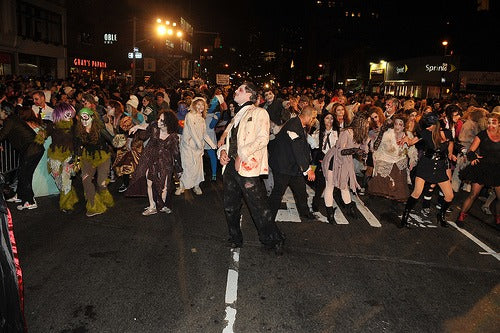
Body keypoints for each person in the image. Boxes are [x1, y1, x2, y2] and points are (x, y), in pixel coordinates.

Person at [217, 82, 285, 254]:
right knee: (229, 206)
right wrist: (223, 152)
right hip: (231, 167)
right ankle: (235, 238)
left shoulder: (259, 112)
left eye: (240, 89)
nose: (236, 91)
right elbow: (229, 140)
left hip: (247, 166)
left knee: (258, 207)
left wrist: (242, 155)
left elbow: (263, 139)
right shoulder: (236, 116)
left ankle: (273, 240)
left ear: (250, 95)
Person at [400, 112, 454, 228]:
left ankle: (441, 215)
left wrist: (451, 154)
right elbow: (411, 142)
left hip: (440, 167)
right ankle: (405, 216)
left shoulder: (447, 133)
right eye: (427, 124)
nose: (428, 127)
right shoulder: (425, 133)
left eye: (430, 125)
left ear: (436, 124)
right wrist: (406, 139)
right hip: (426, 165)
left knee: (449, 196)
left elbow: (451, 145)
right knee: (417, 192)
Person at [127, 111, 182, 216]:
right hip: (152, 159)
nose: (158, 122)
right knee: (149, 183)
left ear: (168, 123)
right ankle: (152, 206)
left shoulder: (173, 137)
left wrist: (179, 169)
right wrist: (137, 127)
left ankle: (161, 204)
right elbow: (146, 125)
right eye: (159, 119)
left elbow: (176, 153)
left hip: (165, 163)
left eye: (162, 120)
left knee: (165, 186)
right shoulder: (155, 128)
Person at [268, 106, 316, 222]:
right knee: (278, 193)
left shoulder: (298, 124)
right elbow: (297, 149)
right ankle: (268, 219)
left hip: (293, 166)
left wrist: (308, 165)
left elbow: (302, 147)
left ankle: (305, 213)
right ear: (308, 116)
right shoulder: (294, 126)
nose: (314, 121)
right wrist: (307, 169)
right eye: (313, 118)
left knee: (301, 192)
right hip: (283, 166)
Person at [322, 111, 370, 218]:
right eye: (367, 122)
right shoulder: (347, 132)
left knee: (344, 186)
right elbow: (340, 151)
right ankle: (330, 214)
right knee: (329, 186)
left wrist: (364, 146)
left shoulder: (361, 134)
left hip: (345, 162)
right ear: (361, 123)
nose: (368, 125)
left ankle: (349, 209)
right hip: (334, 161)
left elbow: (363, 150)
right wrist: (354, 150)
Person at [457, 112, 500, 227]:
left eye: (494, 122)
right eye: (489, 122)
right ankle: (461, 215)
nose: (490, 125)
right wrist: (472, 157)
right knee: (473, 194)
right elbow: (471, 150)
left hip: (497, 169)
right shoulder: (482, 134)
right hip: (483, 168)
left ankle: (498, 217)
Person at [0, 106, 44, 210]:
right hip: (33, 148)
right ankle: (20, 196)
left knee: (24, 175)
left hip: (31, 149)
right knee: (22, 173)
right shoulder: (13, 119)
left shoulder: (9, 120)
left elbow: (2, 134)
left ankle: (30, 201)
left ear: (5, 112)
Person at [367, 114, 418, 202]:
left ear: (404, 126)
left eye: (400, 124)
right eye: (396, 124)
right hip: (386, 159)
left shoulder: (408, 134)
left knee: (399, 184)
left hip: (400, 160)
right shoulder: (387, 134)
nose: (397, 126)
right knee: (383, 182)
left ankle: (393, 199)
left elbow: (412, 149)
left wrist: (412, 160)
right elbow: (376, 147)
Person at [74, 108, 114, 217]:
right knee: (86, 180)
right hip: (87, 158)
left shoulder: (100, 130)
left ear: (92, 117)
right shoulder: (79, 131)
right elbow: (78, 147)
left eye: (86, 117)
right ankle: (93, 205)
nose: (84, 120)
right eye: (81, 117)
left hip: (102, 157)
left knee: (101, 182)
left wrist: (118, 142)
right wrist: (76, 160)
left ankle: (105, 197)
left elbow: (112, 140)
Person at [177, 97, 216, 195]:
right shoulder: (189, 116)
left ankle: (196, 186)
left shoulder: (202, 119)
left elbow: (204, 134)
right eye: (198, 104)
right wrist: (198, 144)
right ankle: (182, 186)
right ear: (194, 105)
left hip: (198, 148)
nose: (200, 107)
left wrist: (212, 144)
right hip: (188, 146)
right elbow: (192, 131)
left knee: (198, 167)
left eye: (202, 105)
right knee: (187, 166)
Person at [45, 103, 79, 212]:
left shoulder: (74, 126)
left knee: (66, 179)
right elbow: (44, 133)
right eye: (67, 114)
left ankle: (66, 204)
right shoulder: (53, 125)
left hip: (69, 156)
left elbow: (77, 142)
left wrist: (76, 157)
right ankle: (69, 195)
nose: (70, 117)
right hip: (54, 156)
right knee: (57, 178)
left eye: (71, 115)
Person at [311, 112, 339, 223]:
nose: (329, 121)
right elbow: (314, 146)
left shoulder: (337, 133)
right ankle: (316, 201)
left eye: (332, 118)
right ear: (323, 120)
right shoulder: (318, 132)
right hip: (321, 158)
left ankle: (330, 212)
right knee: (321, 183)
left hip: (333, 159)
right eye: (327, 118)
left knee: (330, 184)